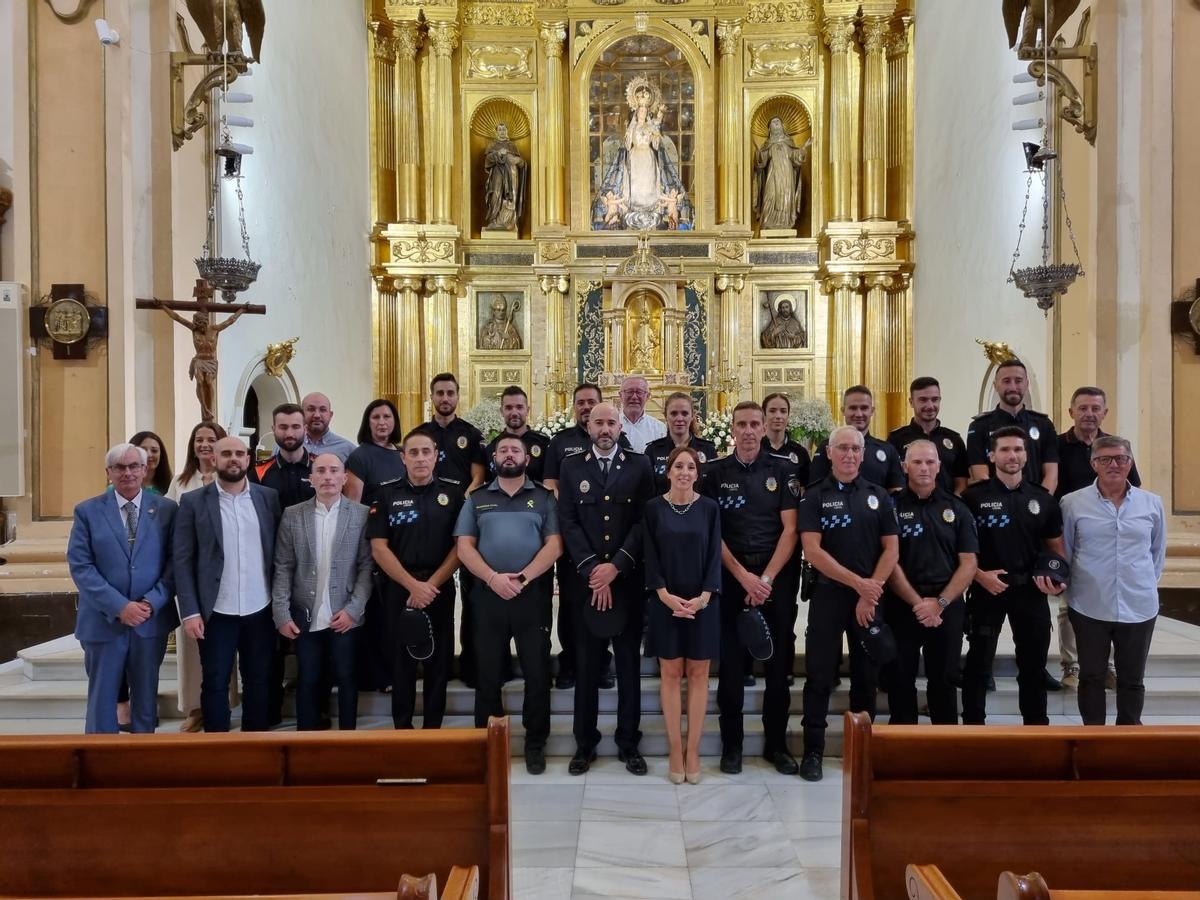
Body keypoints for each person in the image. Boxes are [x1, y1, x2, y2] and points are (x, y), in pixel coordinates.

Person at [700, 402, 798, 776]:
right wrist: (743, 577)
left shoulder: (784, 470)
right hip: (731, 576)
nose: (748, 430)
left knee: (777, 667)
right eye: (741, 424)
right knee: (732, 667)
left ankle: (777, 745)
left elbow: (790, 530)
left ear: (762, 428)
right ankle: (733, 746)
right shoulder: (713, 473)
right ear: (732, 429)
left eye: (754, 424)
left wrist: (766, 580)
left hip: (775, 578)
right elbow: (714, 532)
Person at [454, 435, 562, 774]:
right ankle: (488, 743)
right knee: (487, 674)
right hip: (488, 597)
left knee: (536, 672)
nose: (510, 454)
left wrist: (523, 578)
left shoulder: (544, 498)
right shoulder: (477, 499)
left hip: (531, 597)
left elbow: (555, 545)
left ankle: (535, 743)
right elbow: (464, 547)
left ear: (526, 458)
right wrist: (493, 578)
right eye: (503, 450)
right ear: (493, 458)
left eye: (515, 450)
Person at [557, 402, 655, 776]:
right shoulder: (571, 467)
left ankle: (629, 742)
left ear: (619, 428)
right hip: (586, 584)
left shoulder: (639, 465)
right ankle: (585, 743)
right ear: (588, 425)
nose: (604, 428)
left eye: (611, 422)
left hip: (626, 582)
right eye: (598, 422)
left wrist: (616, 567)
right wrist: (593, 569)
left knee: (628, 667)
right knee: (586, 666)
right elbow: (568, 520)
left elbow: (644, 520)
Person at [797, 425, 899, 781]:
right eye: (843, 448)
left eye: (856, 449)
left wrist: (870, 591)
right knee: (819, 676)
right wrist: (860, 586)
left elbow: (891, 549)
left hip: (869, 599)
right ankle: (813, 751)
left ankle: (862, 751)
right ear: (829, 452)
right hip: (829, 596)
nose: (850, 455)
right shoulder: (813, 496)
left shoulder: (878, 496)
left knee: (865, 678)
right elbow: (812, 550)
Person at [174, 436, 283, 732]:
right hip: (215, 611)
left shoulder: (267, 498)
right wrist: (190, 611)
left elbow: (277, 554)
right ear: (214, 459)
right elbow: (182, 560)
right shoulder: (193, 502)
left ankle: (255, 744)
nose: (233, 459)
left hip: (259, 607)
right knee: (215, 680)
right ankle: (217, 748)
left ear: (247, 460)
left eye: (239, 454)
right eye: (226, 454)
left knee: (259, 678)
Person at [961, 426, 1067, 726]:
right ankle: (972, 730)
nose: (1012, 455)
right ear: (991, 455)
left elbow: (1056, 550)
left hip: (1030, 592)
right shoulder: (972, 498)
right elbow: (961, 551)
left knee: (1033, 666)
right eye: (1005, 449)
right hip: (986, 590)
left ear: (1026, 454)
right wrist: (979, 576)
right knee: (978, 665)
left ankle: (1036, 730)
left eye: (1018, 449)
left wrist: (1055, 579)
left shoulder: (1043, 499)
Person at [68, 443, 178, 733]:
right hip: (103, 621)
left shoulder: (166, 510)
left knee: (145, 699)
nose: (127, 473)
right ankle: (99, 762)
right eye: (119, 467)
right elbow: (81, 565)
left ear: (145, 469)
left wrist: (151, 602)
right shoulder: (87, 512)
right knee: (103, 700)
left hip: (149, 620)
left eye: (133, 466)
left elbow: (174, 562)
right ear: (108, 472)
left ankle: (141, 763)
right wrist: (119, 607)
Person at [1061, 436, 1165, 725]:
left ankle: (1127, 742)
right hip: (1089, 604)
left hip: (1139, 604)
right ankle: (1094, 742)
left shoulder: (1151, 503)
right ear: (1094, 464)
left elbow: (1156, 553)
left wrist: (1140, 581)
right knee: (1092, 676)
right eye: (1105, 459)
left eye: (1121, 458)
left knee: (1132, 679)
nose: (1114, 465)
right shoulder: (1072, 503)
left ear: (1130, 462)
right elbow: (1067, 552)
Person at [368, 428, 466, 729]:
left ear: (436, 456)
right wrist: (413, 586)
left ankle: (433, 729)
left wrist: (430, 586)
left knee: (438, 662)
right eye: (414, 452)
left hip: (439, 588)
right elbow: (378, 547)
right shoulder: (386, 494)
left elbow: (461, 546)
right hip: (399, 589)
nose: (421, 458)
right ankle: (403, 728)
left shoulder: (453, 493)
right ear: (403, 457)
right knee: (402, 663)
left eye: (427, 452)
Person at [271, 454, 372, 730]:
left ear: (344, 478)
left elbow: (366, 568)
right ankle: (306, 741)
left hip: (345, 616)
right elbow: (283, 567)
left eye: (334, 471)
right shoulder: (293, 515)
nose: (327, 476)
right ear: (311, 478)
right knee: (309, 679)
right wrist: (281, 613)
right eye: (321, 471)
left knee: (347, 678)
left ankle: (347, 741)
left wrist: (353, 610)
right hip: (306, 616)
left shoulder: (361, 515)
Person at [883, 440, 978, 725]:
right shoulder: (890, 507)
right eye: (916, 462)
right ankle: (902, 747)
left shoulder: (957, 509)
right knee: (900, 680)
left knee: (945, 680)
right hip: (902, 606)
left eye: (929, 462)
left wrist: (939, 604)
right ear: (904, 467)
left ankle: (942, 748)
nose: (923, 468)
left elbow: (969, 563)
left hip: (946, 607)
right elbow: (890, 561)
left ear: (939, 466)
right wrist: (918, 604)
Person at [1053, 386, 1142, 689]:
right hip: (1070, 533)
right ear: (1071, 412)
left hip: (1111, 538)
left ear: (1105, 412)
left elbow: (1135, 492)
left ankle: (1108, 668)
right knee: (1069, 606)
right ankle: (1072, 666)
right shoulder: (1056, 446)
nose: (1089, 414)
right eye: (1083, 408)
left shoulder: (1116, 449)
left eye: (1095, 408)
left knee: (1112, 605)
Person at [644, 446, 722, 784]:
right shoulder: (653, 508)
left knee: (700, 674)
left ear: (697, 473)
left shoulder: (709, 508)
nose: (685, 472)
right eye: (679, 466)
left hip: (702, 602)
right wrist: (664, 595)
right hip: (666, 601)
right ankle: (676, 748)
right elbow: (650, 554)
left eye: (690, 467)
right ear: (668, 471)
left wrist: (704, 597)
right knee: (672, 674)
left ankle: (694, 749)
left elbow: (714, 554)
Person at [543, 383, 628, 690]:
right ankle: (569, 664)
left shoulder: (620, 440)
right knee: (571, 607)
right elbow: (553, 489)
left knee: (608, 607)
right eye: (581, 403)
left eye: (591, 402)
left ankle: (603, 664)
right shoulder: (560, 443)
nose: (585, 406)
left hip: (612, 549)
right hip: (576, 548)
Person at [167, 421, 228, 733]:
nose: (204, 445)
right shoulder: (181, 482)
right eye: (199, 440)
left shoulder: (229, 476)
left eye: (211, 439)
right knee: (192, 648)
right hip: (192, 576)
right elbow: (170, 528)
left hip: (225, 579)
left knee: (223, 648)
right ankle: (194, 707)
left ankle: (223, 704)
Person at [966, 359, 1058, 492]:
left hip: (1036, 504)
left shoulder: (1043, 425)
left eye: (1018, 381)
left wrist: (1041, 504)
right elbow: (980, 475)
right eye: (1006, 381)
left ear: (1027, 384)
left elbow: (1051, 475)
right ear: (996, 385)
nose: (1013, 387)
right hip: (996, 503)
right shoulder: (979, 426)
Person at [810, 385, 904, 492]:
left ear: (872, 411)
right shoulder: (827, 446)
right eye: (853, 408)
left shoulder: (887, 449)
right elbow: (814, 489)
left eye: (864, 408)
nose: (859, 414)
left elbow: (896, 492)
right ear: (843, 410)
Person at [887, 377, 969, 495]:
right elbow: (892, 482)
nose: (930, 405)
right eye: (923, 400)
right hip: (909, 509)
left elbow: (961, 483)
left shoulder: (954, 439)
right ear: (911, 402)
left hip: (947, 509)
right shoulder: (896, 439)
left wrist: (952, 506)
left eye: (935, 399)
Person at [644, 392, 718, 495]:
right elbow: (647, 491)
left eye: (684, 413)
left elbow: (714, 489)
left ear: (692, 415)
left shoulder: (707, 449)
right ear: (665, 416)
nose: (679, 419)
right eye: (674, 413)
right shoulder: (653, 450)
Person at [426, 373, 487, 491]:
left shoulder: (472, 434)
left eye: (450, 393)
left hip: (462, 504)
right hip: (429, 505)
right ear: (432, 396)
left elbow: (478, 478)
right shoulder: (421, 434)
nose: (445, 398)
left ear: (458, 396)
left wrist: (464, 504)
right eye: (439, 393)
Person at [251, 403, 315, 509]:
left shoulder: (321, 468)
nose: (289, 434)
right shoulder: (259, 472)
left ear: (305, 429)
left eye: (295, 427)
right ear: (273, 429)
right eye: (283, 427)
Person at [344, 398, 406, 505]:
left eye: (387, 417)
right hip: (373, 519)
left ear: (395, 420)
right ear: (368, 422)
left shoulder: (405, 453)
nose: (382, 422)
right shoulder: (359, 457)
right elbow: (352, 507)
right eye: (376, 417)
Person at [752, 116, 808, 232]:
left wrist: (803, 148)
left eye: (778, 121)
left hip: (786, 176)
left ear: (782, 126)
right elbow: (761, 162)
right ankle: (768, 221)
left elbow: (795, 158)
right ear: (769, 128)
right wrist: (759, 152)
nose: (776, 123)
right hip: (772, 174)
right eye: (773, 122)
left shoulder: (788, 143)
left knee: (786, 197)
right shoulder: (768, 144)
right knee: (770, 195)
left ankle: (785, 222)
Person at [485, 386, 550, 483]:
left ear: (527, 410)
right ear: (502, 411)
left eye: (519, 407)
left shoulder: (544, 444)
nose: (514, 413)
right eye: (508, 408)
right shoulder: (492, 447)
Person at [481, 123, 527, 233]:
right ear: (496, 132)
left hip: (511, 174)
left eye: (504, 129)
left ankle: (508, 221)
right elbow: (487, 160)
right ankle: (495, 219)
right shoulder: (492, 145)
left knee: (510, 197)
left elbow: (520, 163)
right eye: (500, 130)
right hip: (497, 173)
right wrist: (498, 154)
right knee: (496, 194)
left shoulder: (512, 145)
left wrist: (519, 161)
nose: (502, 132)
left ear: (507, 131)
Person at [301, 391, 357, 463]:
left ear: (330, 415)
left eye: (323, 410)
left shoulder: (349, 450)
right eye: (311, 409)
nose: (317, 415)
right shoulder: (289, 445)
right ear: (301, 414)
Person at [618, 375, 666, 453]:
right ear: (620, 395)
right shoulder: (611, 425)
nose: (634, 397)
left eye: (639, 392)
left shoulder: (659, 429)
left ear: (647, 396)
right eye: (629, 391)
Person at [130, 430, 173, 496]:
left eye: (154, 450)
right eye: (143, 450)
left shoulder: (172, 487)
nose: (149, 454)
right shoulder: (117, 488)